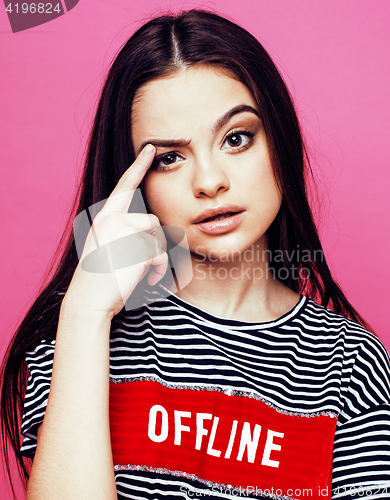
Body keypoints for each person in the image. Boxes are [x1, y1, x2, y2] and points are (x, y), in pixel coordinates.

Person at [1, 9, 390, 500]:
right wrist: (84, 314)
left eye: (236, 138)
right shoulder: (79, 334)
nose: (210, 182)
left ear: (280, 142)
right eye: (168, 158)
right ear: (133, 178)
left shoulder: (351, 366)